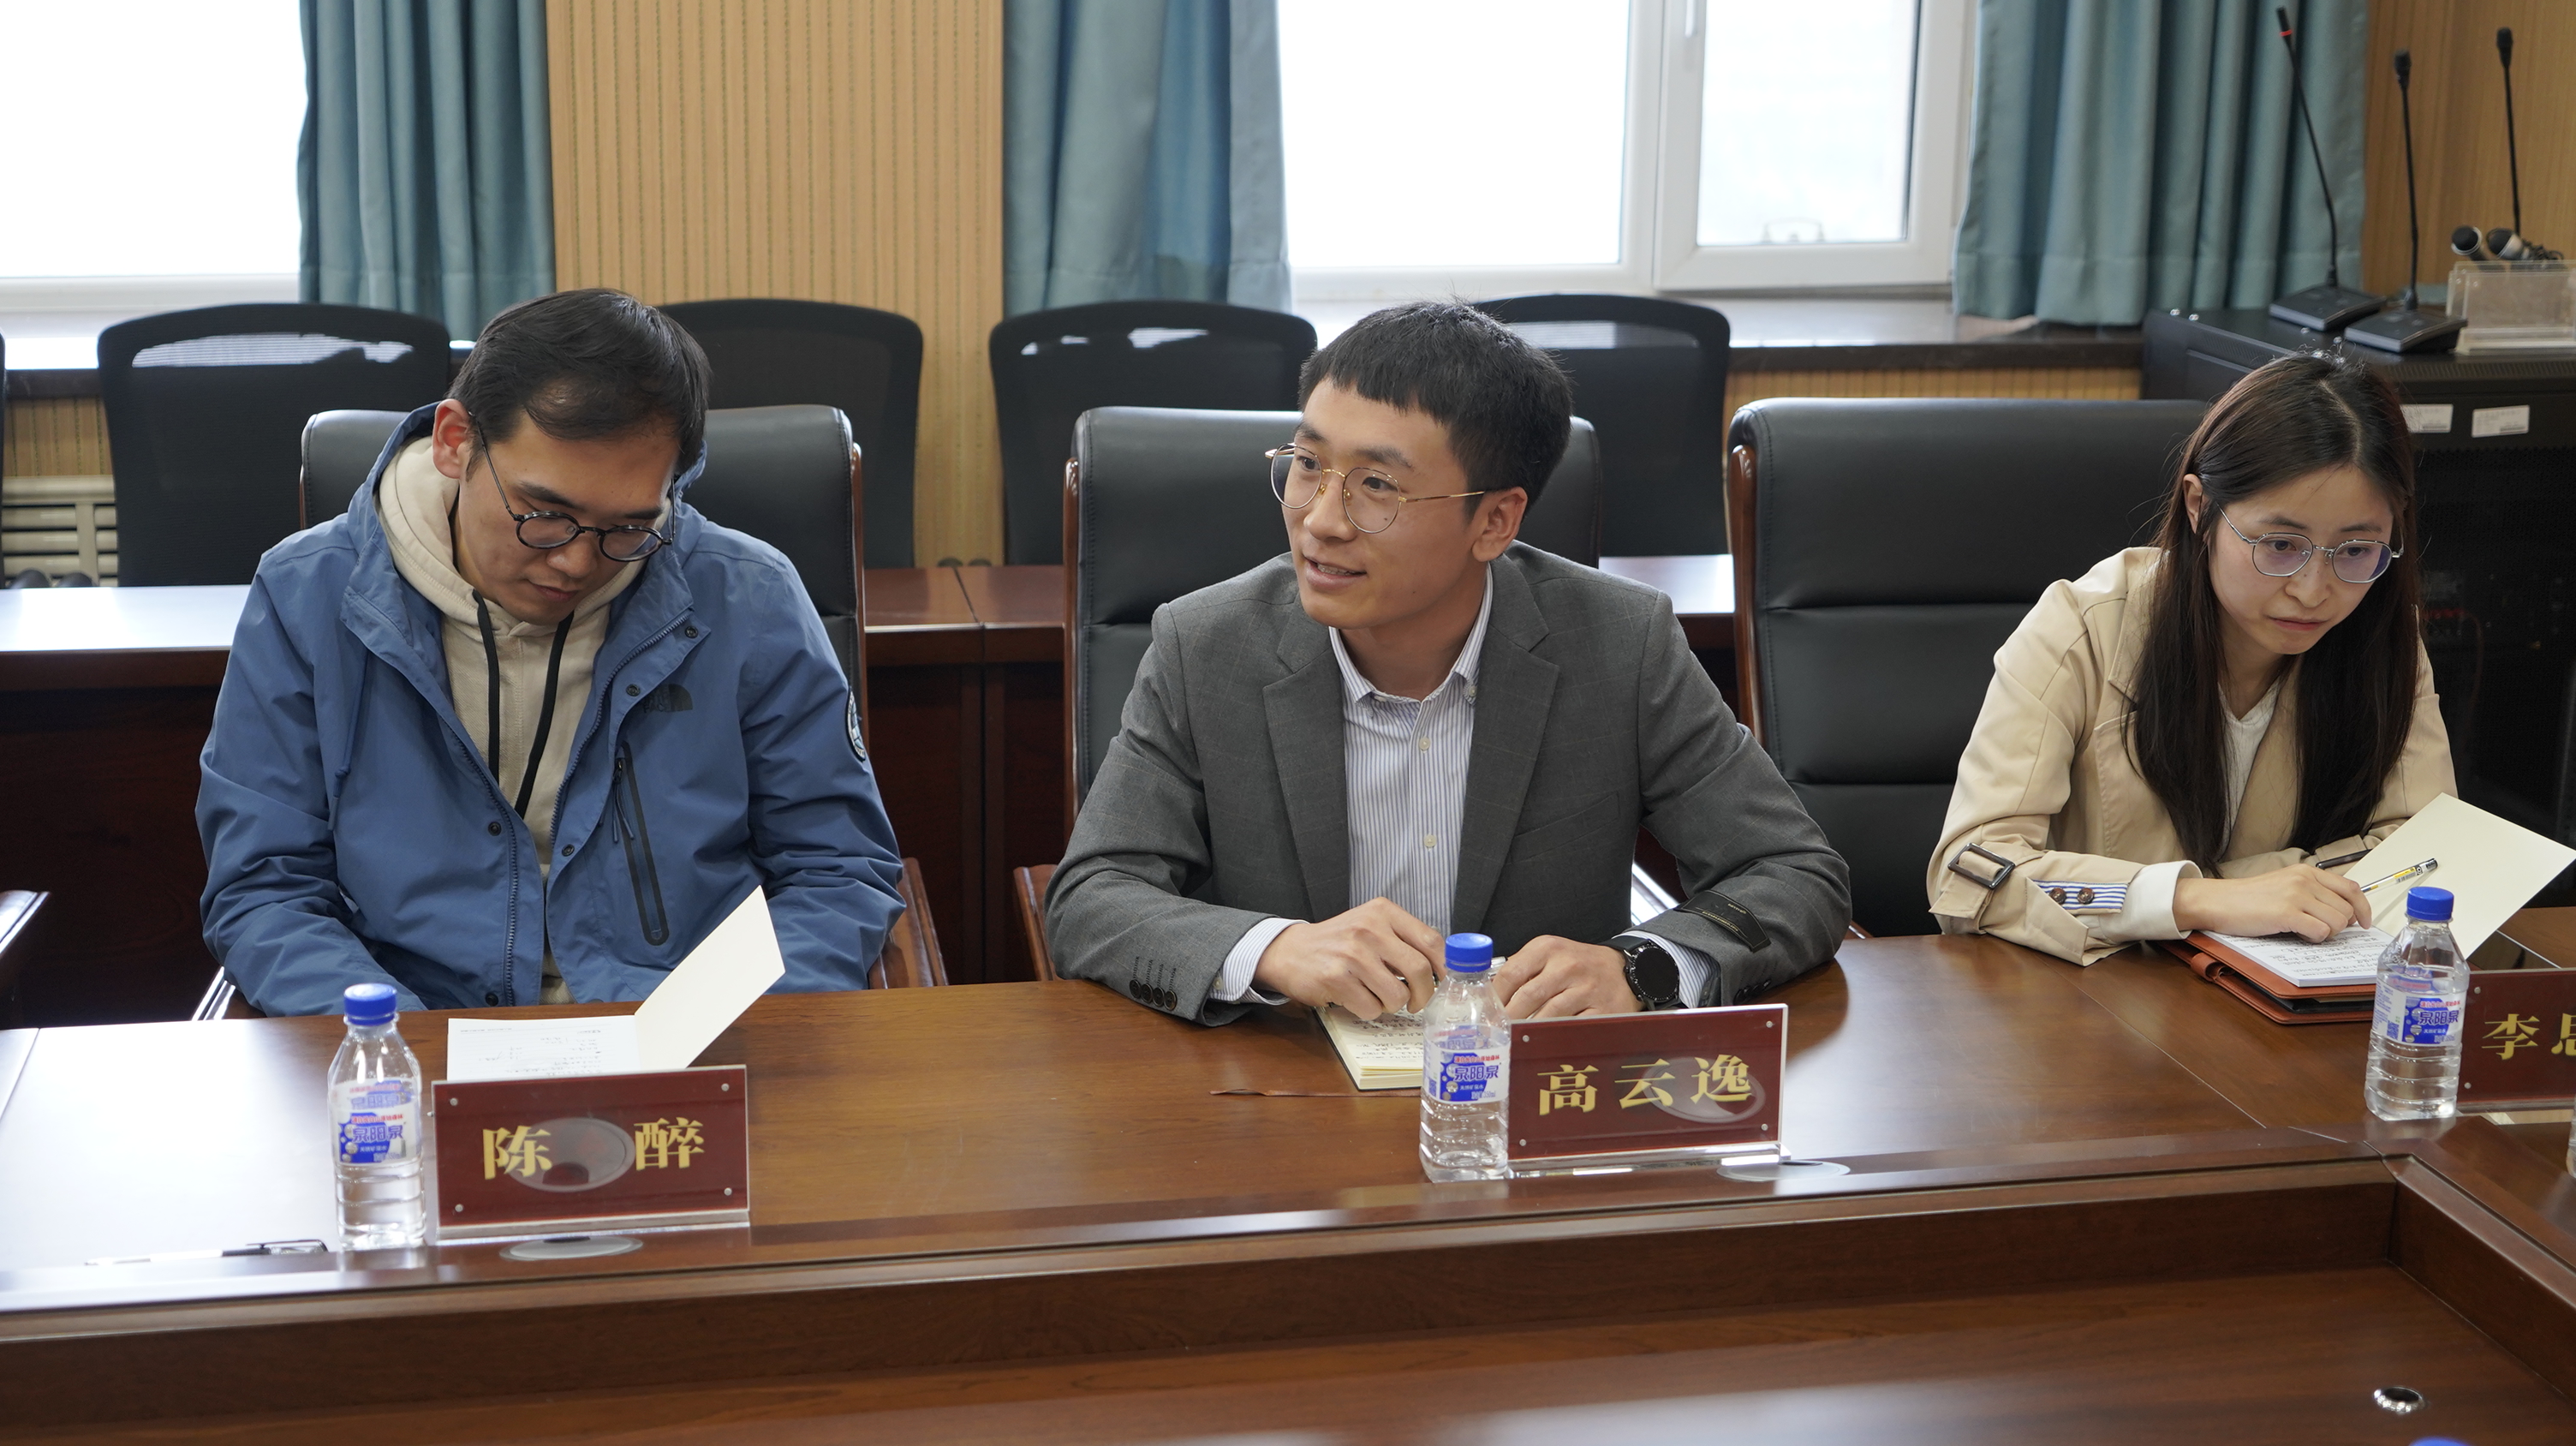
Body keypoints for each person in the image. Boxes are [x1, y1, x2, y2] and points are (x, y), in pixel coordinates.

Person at [1045, 301, 1851, 1025]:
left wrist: (1641, 967)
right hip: (1282, 1095)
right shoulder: (1205, 645)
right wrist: (1274, 948)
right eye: (1309, 464)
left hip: (1526, 1097)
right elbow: (1090, 897)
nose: (1320, 520)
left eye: (1377, 485)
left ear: (1495, 522)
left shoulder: (1618, 644)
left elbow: (1793, 872)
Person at [199, 288, 906, 1014]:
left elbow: (837, 870)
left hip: (681, 1025)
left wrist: (712, 1030)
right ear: (454, 441)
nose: (575, 562)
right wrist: (401, 1047)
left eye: (628, 527)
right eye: (545, 514)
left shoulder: (746, 596)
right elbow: (266, 889)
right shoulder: (305, 595)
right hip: (417, 1025)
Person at [1929, 356, 2454, 965]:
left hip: (2278, 998)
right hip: (2093, 996)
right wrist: (2197, 900)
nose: (2314, 590)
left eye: (2357, 549)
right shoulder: (2081, 627)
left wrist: (2249, 894)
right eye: (2280, 545)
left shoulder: (2381, 637)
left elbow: (2431, 854)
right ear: (2200, 508)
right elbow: (1973, 876)